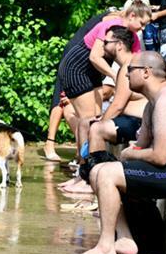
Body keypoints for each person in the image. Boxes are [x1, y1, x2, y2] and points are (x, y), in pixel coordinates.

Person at [68, 51, 166, 254]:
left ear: (146, 72)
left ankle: (106, 247)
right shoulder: (152, 104)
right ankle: (125, 239)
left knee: (108, 173)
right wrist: (124, 156)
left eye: (129, 70)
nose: (126, 76)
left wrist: (128, 154)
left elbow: (159, 156)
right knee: (99, 169)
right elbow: (141, 147)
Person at [57, 0, 150, 160]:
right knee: (87, 118)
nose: (143, 29)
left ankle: (88, 155)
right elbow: (95, 56)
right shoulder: (111, 26)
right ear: (133, 15)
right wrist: (116, 77)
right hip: (77, 66)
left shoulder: (133, 37)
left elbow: (134, 62)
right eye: (141, 24)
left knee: (97, 114)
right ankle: (83, 162)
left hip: (93, 72)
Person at [59, 27, 145, 193]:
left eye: (106, 42)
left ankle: (94, 181)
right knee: (85, 123)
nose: (102, 46)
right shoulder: (125, 67)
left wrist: (102, 119)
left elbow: (118, 105)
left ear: (119, 45)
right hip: (129, 118)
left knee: (96, 128)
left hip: (138, 121)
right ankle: (83, 176)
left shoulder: (130, 67)